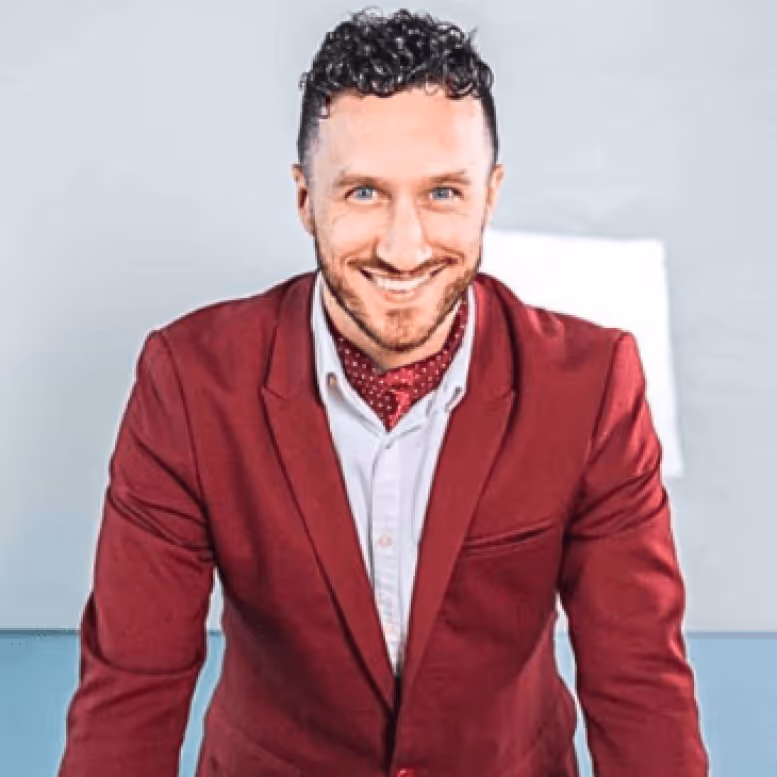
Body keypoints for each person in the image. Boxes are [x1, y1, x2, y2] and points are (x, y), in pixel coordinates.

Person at [58, 7, 709, 776]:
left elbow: (638, 682)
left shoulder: (593, 386)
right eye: (364, 192)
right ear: (305, 199)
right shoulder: (189, 383)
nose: (404, 248)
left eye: (443, 193)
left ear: (489, 195)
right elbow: (131, 691)